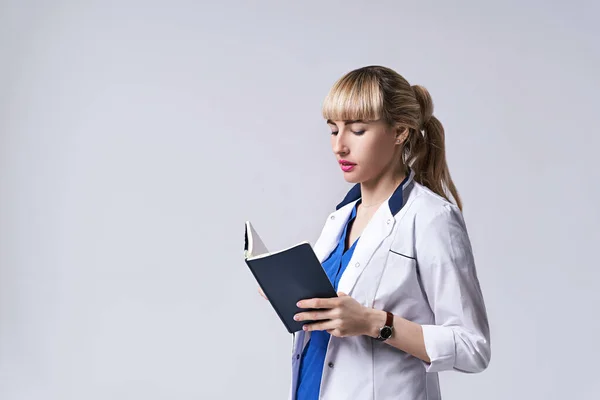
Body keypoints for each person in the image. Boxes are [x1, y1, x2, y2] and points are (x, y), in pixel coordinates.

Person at [259, 65, 490, 400]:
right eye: (333, 130)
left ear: (399, 132)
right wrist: (288, 294)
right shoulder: (340, 218)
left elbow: (473, 347)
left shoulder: (431, 218)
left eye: (357, 130)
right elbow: (330, 322)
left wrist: (373, 322)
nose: (339, 146)